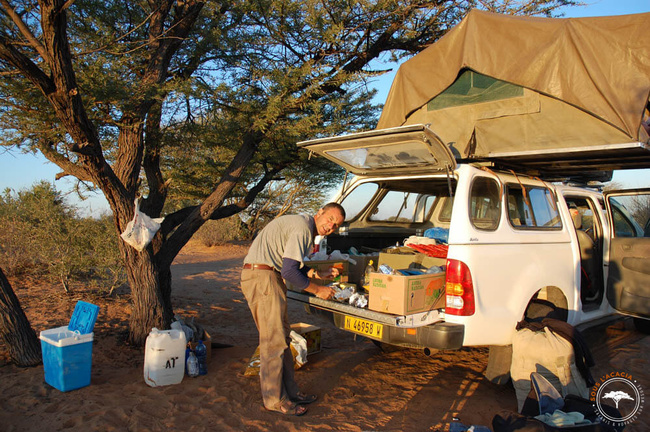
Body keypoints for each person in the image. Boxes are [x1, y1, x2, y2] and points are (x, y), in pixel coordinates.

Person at [240, 203, 346, 416]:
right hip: (264, 278)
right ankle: (274, 400)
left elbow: (289, 262)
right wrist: (318, 290)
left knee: (282, 339)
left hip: (267, 276)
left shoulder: (302, 225)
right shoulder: (302, 229)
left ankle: (290, 393)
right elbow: (289, 271)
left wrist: (316, 274)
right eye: (330, 219)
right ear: (319, 213)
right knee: (273, 341)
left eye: (336, 225)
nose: (331, 226)